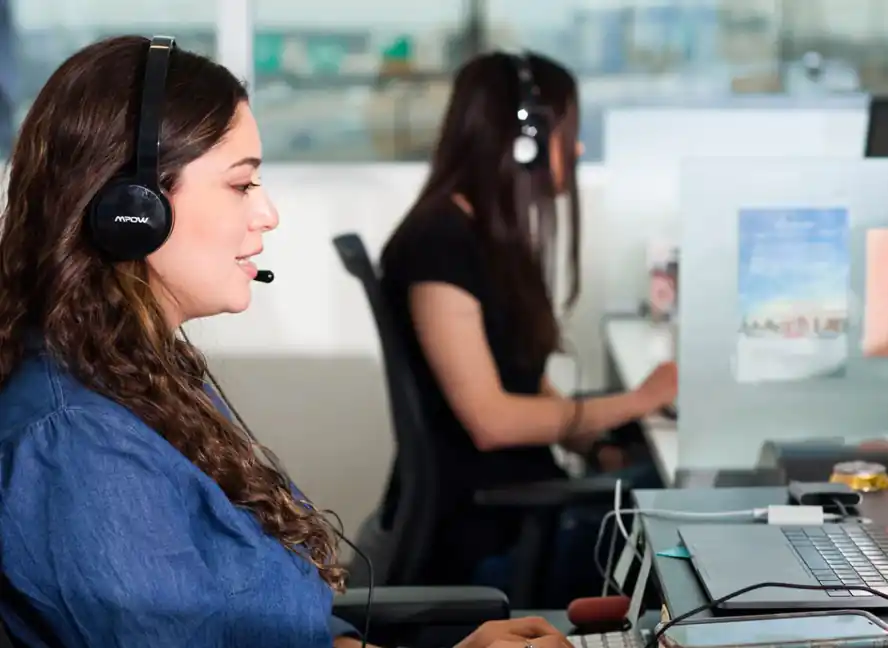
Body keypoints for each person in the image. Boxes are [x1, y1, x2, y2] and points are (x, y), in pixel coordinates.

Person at [0, 35, 572, 648]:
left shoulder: (141, 375)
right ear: (132, 207)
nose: (268, 213)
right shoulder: (81, 448)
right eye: (241, 185)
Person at [379, 51, 677, 603]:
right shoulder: (437, 245)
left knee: (655, 486)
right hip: (490, 535)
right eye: (571, 133)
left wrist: (595, 443)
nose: (580, 149)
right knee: (676, 517)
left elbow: (525, 377)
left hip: (523, 499)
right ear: (529, 141)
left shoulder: (488, 237)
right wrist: (638, 400)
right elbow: (493, 420)